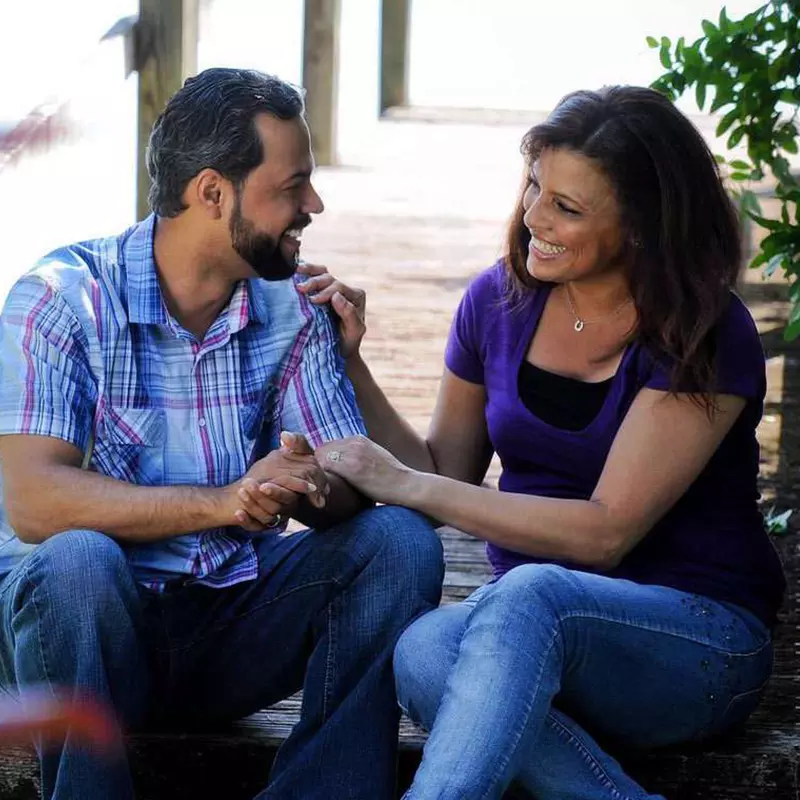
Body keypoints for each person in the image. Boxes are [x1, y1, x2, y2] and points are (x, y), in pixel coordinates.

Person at [290, 85, 787, 799]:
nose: (533, 218)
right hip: (530, 634)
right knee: (426, 651)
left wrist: (401, 484)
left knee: (528, 594)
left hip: (696, 642)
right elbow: (441, 471)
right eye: (534, 185)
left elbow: (604, 534)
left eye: (567, 207)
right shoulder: (496, 302)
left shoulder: (703, 329)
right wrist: (352, 365)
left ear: (642, 226)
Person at [0, 67, 444, 800]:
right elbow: (35, 505)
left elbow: (342, 496)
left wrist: (305, 477)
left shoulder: (293, 309)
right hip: (78, 643)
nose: (314, 204)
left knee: (399, 545)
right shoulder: (59, 298)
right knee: (77, 559)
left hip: (223, 629)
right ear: (213, 192)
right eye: (293, 185)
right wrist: (230, 499)